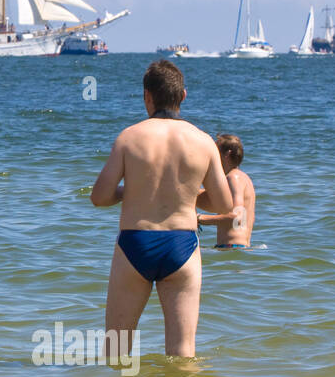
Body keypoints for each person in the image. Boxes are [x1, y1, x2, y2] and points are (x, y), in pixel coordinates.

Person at [91, 60, 235, 358]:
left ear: (147, 96)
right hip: (181, 246)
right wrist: (185, 193)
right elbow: (224, 204)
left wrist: (128, 192)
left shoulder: (129, 137)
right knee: (182, 352)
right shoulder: (204, 141)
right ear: (183, 96)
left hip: (136, 244)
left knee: (116, 350)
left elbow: (99, 196)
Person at [196, 134, 255, 249]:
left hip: (231, 248)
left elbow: (238, 218)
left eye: (215, 152)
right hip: (238, 248)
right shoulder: (243, 178)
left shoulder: (233, 178)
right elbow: (208, 199)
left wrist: (200, 219)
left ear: (227, 154)